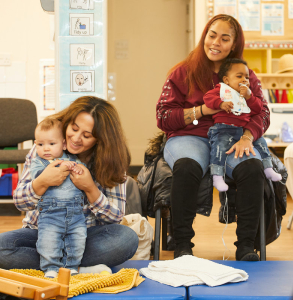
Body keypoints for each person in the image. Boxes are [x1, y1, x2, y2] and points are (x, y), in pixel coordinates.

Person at [156, 14, 270, 261]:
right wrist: (203, 111)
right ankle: (183, 245)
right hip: (190, 136)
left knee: (252, 167)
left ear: (234, 45)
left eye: (224, 38)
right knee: (186, 166)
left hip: (232, 137)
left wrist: (248, 137)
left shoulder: (245, 75)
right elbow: (163, 117)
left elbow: (263, 113)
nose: (215, 42)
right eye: (212, 35)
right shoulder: (182, 72)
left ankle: (246, 247)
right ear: (204, 36)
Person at [0, 96, 139, 272]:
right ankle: (77, 268)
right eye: (73, 128)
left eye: (86, 135)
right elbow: (20, 202)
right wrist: (42, 182)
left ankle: (54, 265)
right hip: (41, 232)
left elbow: (116, 217)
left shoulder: (112, 161)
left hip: (84, 235)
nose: (76, 138)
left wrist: (90, 188)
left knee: (126, 239)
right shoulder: (46, 146)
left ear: (101, 139)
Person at [204, 58, 282, 192]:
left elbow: (258, 109)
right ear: (226, 80)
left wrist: (249, 97)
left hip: (242, 130)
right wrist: (221, 104)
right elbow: (208, 98)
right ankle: (217, 176)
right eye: (239, 76)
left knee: (262, 143)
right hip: (223, 128)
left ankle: (268, 168)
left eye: (247, 77)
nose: (245, 80)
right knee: (219, 148)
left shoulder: (247, 93)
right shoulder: (222, 89)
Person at [31, 118, 88, 278]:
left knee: (78, 240)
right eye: (40, 145)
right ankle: (51, 268)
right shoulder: (38, 162)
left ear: (63, 144)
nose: (46, 149)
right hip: (51, 214)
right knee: (48, 242)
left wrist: (78, 170)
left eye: (51, 144)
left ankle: (72, 267)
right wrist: (59, 168)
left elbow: (84, 177)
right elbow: (38, 176)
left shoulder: (74, 160)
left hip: (76, 215)